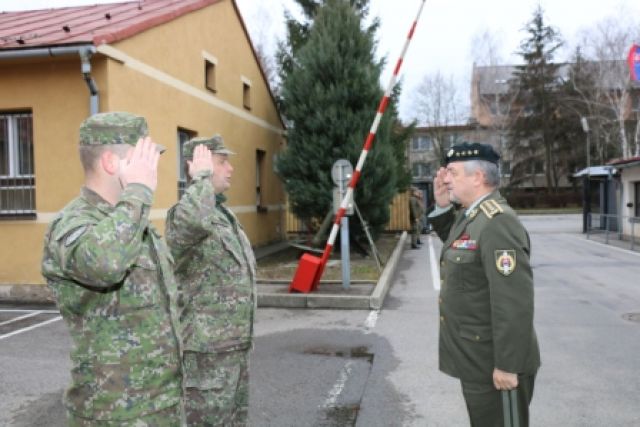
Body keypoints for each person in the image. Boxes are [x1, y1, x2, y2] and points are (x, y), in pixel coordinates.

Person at [41, 112, 184, 426]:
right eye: (142, 158)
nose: (153, 168)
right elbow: (105, 264)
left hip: (162, 406)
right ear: (110, 162)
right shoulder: (74, 223)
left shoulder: (131, 221)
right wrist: (138, 191)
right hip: (114, 414)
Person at [428, 142, 540, 427]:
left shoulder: (497, 222)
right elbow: (460, 247)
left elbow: (512, 302)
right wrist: (442, 207)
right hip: (478, 359)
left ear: (477, 177)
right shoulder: (473, 215)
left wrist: (508, 365)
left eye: (452, 172)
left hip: (495, 362)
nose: (446, 179)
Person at [165, 135, 256, 426]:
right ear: (197, 167)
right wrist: (201, 179)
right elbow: (192, 223)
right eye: (222, 161)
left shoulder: (223, 214)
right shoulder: (185, 215)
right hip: (206, 354)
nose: (230, 168)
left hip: (233, 348)